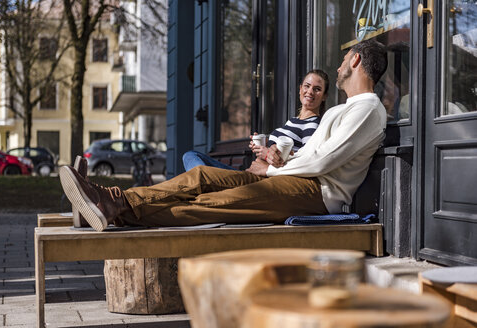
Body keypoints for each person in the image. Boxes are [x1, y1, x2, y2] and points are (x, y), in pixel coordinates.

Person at [59, 39, 388, 232]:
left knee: (210, 203)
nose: (341, 64)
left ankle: (109, 206)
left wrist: (271, 168)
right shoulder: (341, 110)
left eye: (345, 59)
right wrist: (274, 161)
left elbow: (325, 160)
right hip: (291, 179)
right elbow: (309, 156)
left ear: (356, 60)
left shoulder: (368, 108)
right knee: (201, 173)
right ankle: (110, 201)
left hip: (315, 195)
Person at [182, 69, 329, 171]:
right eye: (307, 86)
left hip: (257, 181)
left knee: (192, 158)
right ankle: (202, 182)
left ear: (324, 96)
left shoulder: (313, 125)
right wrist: (263, 144)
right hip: (250, 171)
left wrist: (267, 154)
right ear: (300, 89)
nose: (310, 92)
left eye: (317, 89)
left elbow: (305, 161)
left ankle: (201, 183)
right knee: (191, 156)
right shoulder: (293, 121)